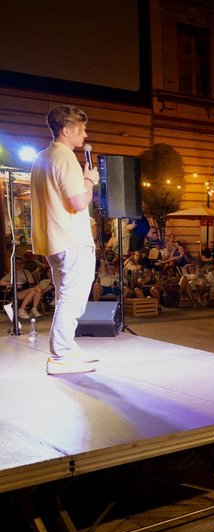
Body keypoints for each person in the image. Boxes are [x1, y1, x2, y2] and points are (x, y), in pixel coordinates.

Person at [29, 106, 100, 374]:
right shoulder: (66, 158)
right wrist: (89, 180)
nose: (85, 134)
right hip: (72, 239)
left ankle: (67, 347)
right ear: (66, 130)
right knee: (72, 299)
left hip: (54, 239)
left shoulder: (42, 157)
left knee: (65, 296)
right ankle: (60, 354)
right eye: (82, 129)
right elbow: (79, 202)